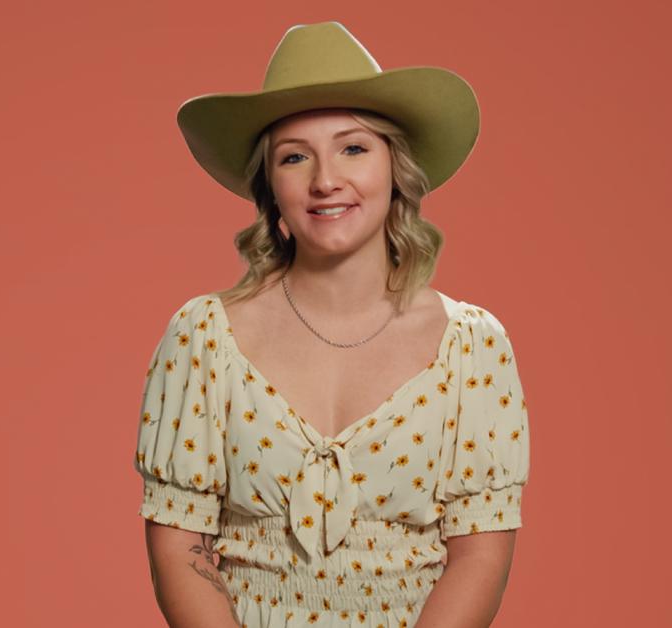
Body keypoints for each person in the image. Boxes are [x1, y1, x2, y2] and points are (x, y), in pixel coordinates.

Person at [134, 21, 531, 628]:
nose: (325, 180)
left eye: (353, 147)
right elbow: (178, 548)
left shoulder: (473, 346)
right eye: (295, 157)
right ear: (270, 184)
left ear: (396, 168)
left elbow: (480, 555)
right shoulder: (203, 337)